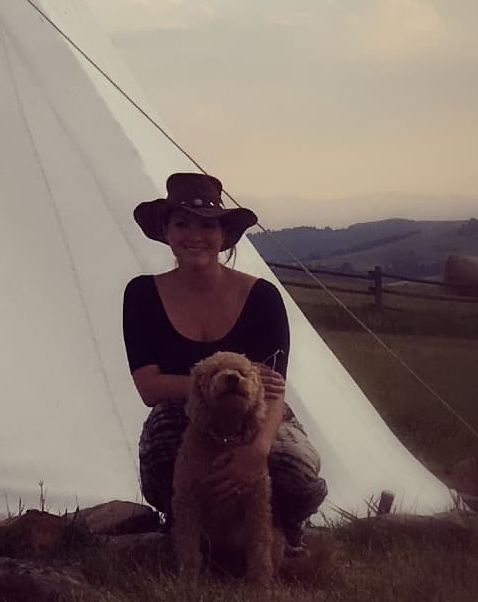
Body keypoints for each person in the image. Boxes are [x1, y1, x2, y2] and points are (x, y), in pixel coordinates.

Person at [123, 171, 326, 551]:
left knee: (291, 469)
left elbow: (272, 390)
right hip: (179, 413)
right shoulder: (142, 294)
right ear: (166, 230)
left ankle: (279, 529)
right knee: (164, 460)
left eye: (207, 226)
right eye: (182, 224)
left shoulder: (262, 297)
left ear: (224, 236)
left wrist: (257, 451)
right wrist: (215, 385)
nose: (194, 236)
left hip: (257, 413)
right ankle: (191, 532)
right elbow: (149, 387)